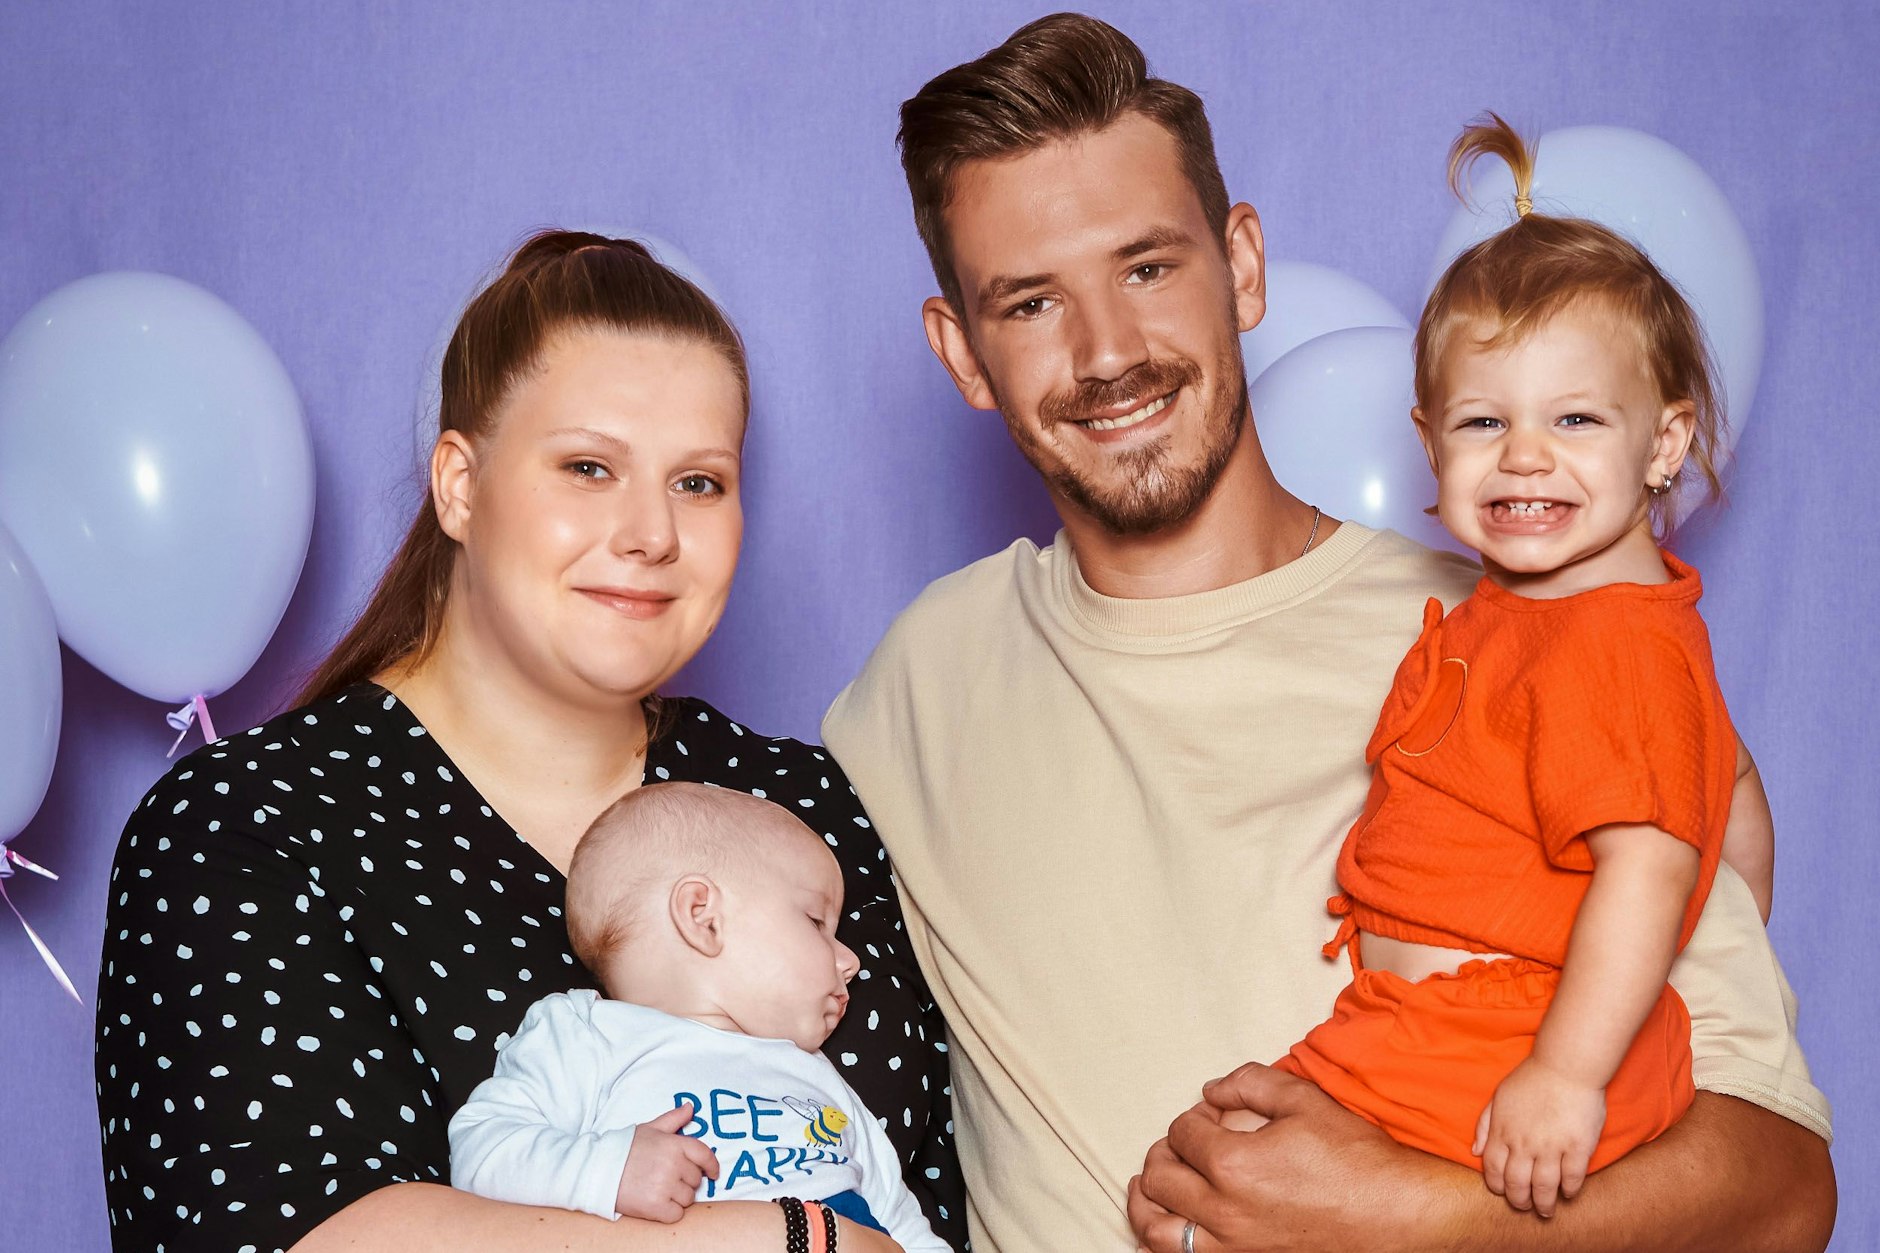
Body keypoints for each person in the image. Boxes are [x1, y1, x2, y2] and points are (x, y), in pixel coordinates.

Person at [822, 14, 1833, 1253]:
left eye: (1147, 267)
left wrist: (1413, 1218)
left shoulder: (1527, 643)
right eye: (1029, 302)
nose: (1107, 353)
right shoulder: (917, 687)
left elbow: (1782, 1189)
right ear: (961, 353)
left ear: (1242, 264)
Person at [95, 231, 966, 1253]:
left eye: (699, 482)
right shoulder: (250, 827)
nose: (651, 532)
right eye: (588, 467)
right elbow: (283, 1231)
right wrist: (782, 1238)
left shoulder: (791, 803)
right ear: (459, 484)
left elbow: (933, 1186)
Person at [1268, 114, 1774, 1220]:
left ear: (1663, 444)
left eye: (1576, 418)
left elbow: (1648, 866)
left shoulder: (1608, 635)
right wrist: (1737, 908)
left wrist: (1567, 1070)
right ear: (1428, 442)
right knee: (1218, 1169)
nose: (1525, 454)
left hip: (1505, 1031)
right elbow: (1726, 789)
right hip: (1441, 1025)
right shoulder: (1538, 612)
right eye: (1482, 420)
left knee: (1217, 1201)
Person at [449, 782, 948, 1252]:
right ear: (702, 915)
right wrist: (605, 1170)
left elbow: (902, 1224)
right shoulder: (588, 1033)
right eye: (817, 922)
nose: (850, 961)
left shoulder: (816, 1075)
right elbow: (482, 1151)